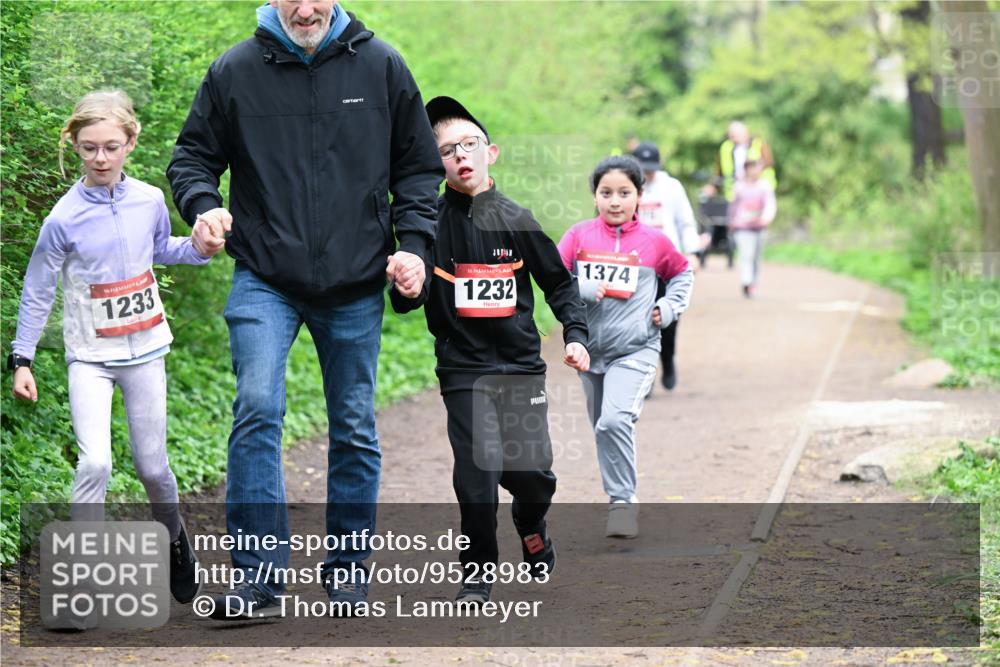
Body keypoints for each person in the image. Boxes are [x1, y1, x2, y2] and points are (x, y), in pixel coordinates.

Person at [166, 0, 443, 619]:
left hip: (354, 280)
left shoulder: (382, 66)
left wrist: (416, 249)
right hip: (265, 275)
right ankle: (259, 583)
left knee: (352, 424)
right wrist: (204, 206)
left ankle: (347, 574)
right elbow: (192, 158)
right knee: (257, 407)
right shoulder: (235, 70)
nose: (307, 8)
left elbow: (419, 171)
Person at [9, 90, 214, 609]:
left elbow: (164, 250)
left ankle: (173, 540)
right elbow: (38, 289)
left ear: (130, 144)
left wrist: (201, 248)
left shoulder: (148, 199)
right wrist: (22, 358)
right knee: (95, 462)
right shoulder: (63, 218)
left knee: (152, 468)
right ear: (73, 146)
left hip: (145, 351)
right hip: (91, 358)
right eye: (88, 148)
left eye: (110, 147)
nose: (100, 158)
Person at [394, 96, 590, 606]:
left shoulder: (516, 219)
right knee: (477, 468)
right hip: (463, 368)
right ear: (434, 163)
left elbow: (559, 284)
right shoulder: (427, 224)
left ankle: (531, 521)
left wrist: (574, 333)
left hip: (521, 366)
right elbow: (403, 299)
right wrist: (406, 286)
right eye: (446, 150)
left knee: (533, 475)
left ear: (491, 153)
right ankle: (478, 571)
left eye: (470, 144)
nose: (460, 155)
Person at [558, 156, 693, 539]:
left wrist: (667, 307)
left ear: (639, 196)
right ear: (595, 196)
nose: (615, 201)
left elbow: (682, 273)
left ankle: (622, 502)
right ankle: (619, 497)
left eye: (624, 193)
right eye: (606, 193)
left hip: (636, 349)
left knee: (614, 420)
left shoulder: (655, 241)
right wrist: (580, 288)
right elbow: (552, 274)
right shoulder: (579, 236)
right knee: (603, 428)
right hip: (587, 351)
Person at [631, 141, 700, 390]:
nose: (647, 173)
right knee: (638, 319)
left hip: (666, 263)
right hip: (636, 264)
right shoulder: (624, 187)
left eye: (651, 168)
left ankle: (668, 360)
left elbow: (686, 222)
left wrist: (692, 252)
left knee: (667, 319)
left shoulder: (671, 187)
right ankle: (644, 375)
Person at [729, 159, 777, 298]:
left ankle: (753, 283)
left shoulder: (764, 186)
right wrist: (731, 221)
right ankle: (747, 282)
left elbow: (770, 204)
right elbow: (733, 206)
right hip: (742, 227)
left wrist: (766, 218)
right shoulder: (738, 186)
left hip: (759, 226)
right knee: (746, 255)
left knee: (756, 257)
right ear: (747, 169)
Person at [705, 121, 776, 201]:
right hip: (735, 193)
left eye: (736, 135)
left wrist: (753, 172)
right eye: (731, 135)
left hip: (758, 192)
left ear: (746, 133)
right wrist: (713, 186)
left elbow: (769, 162)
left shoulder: (758, 144)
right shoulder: (726, 147)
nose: (733, 138)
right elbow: (719, 171)